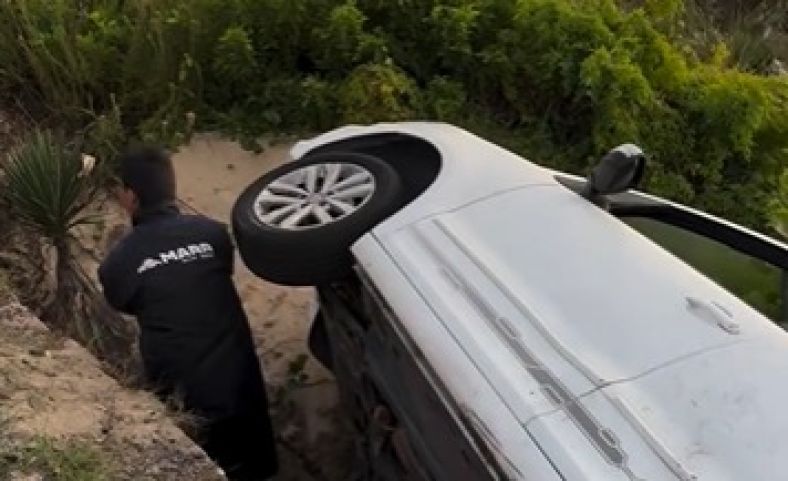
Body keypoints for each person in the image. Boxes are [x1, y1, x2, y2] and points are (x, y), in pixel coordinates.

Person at [98, 146, 279, 480]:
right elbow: (218, 271)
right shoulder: (213, 234)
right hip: (242, 386)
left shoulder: (119, 263)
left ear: (130, 196)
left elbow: (122, 302)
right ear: (172, 186)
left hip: (187, 402)